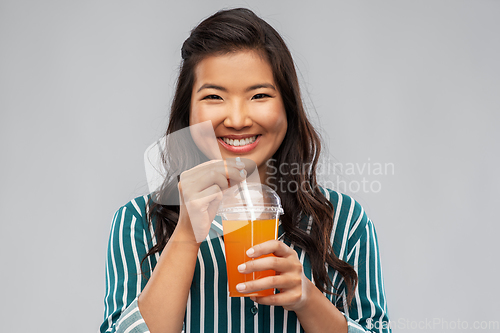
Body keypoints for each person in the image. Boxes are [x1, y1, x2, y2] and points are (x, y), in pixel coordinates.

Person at [101, 8, 391, 333]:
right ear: (189, 111)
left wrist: (307, 298)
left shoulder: (344, 222)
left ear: (288, 107)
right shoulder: (139, 223)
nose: (237, 120)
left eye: (259, 96)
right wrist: (185, 235)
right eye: (214, 96)